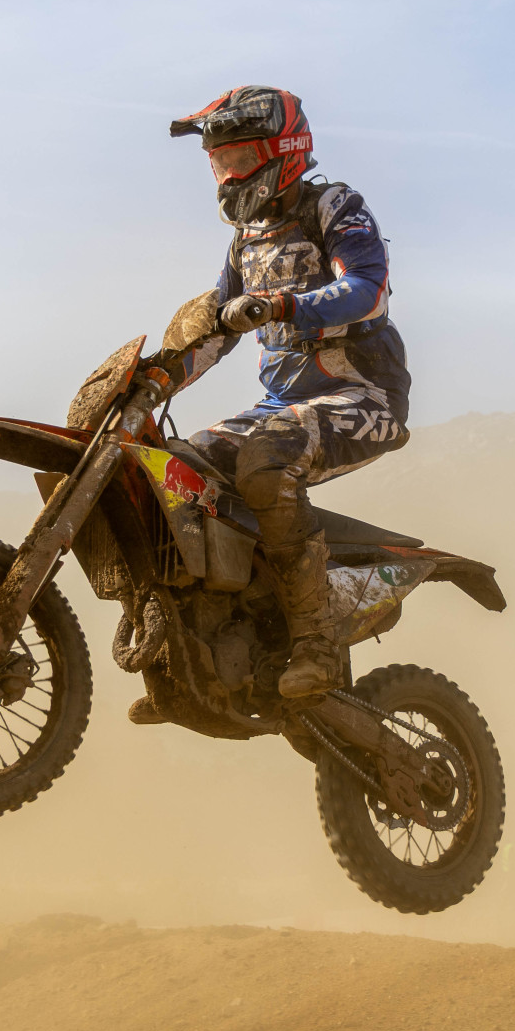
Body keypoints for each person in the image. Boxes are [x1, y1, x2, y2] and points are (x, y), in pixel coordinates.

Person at [149, 85, 412, 700]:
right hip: (282, 407)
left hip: (362, 398)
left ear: (284, 152)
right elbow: (217, 329)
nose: (228, 176)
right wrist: (156, 379)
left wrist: (284, 304)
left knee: (265, 465)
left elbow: (369, 289)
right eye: (220, 163)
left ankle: (314, 640)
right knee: (174, 470)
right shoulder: (245, 240)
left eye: (240, 160)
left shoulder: (334, 207)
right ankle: (204, 640)